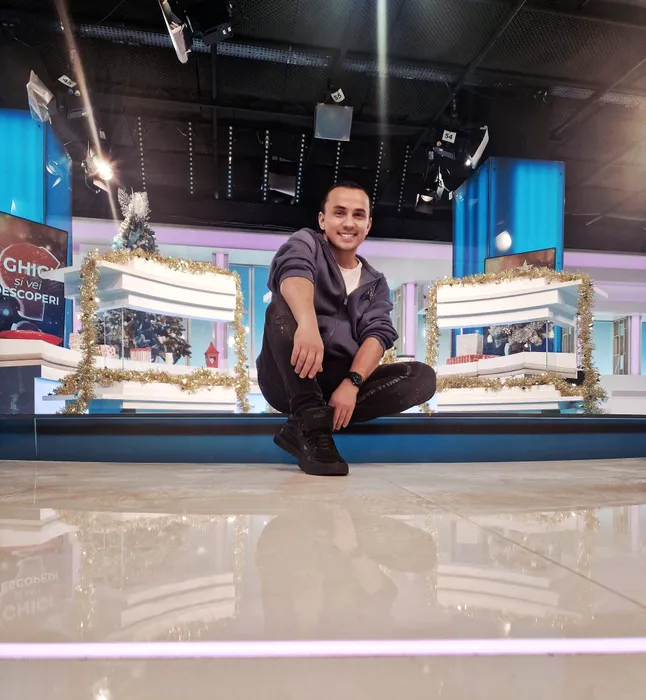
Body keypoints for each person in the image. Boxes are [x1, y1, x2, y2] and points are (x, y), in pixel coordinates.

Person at [257, 181, 437, 477]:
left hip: (337, 382)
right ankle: (312, 424)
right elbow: (293, 271)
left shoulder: (376, 283)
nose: (349, 223)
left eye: (358, 215)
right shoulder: (306, 242)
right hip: (286, 379)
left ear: (368, 225)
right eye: (339, 213)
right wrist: (308, 325)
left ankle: (307, 423)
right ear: (322, 220)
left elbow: (378, 334)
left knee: (421, 377)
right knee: (279, 306)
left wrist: (352, 383)